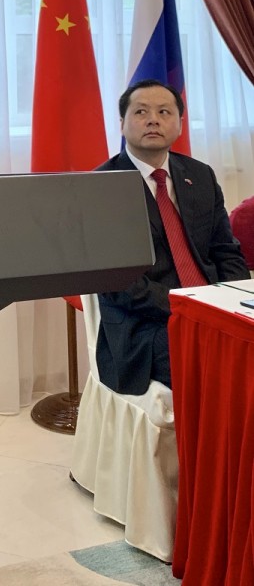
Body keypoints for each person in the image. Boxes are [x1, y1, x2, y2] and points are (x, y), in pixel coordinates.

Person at [95, 78, 248, 395]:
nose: (153, 119)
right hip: (146, 326)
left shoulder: (200, 175)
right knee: (222, 362)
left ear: (180, 123)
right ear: (122, 124)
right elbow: (121, 285)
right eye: (141, 112)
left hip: (213, 309)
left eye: (164, 111)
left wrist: (230, 303)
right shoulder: (103, 186)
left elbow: (226, 252)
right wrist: (192, 307)